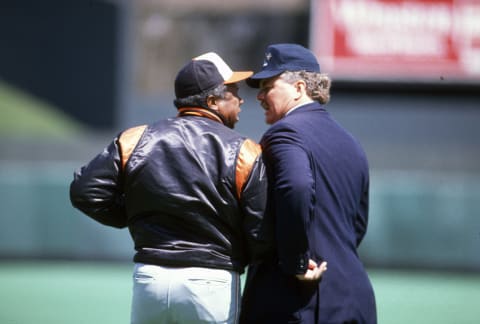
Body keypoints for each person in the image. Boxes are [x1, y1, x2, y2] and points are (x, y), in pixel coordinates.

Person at [70, 52, 272, 324]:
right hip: (211, 281)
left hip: (150, 276)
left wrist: (135, 217)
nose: (241, 99)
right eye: (233, 92)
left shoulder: (135, 138)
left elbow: (85, 192)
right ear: (212, 101)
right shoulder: (245, 151)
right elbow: (260, 229)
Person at [240, 43, 376, 324]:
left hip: (300, 300)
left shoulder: (285, 132)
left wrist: (295, 262)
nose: (260, 96)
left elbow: (297, 187)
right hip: (353, 297)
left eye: (268, 86)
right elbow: (357, 225)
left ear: (299, 88)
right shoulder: (350, 142)